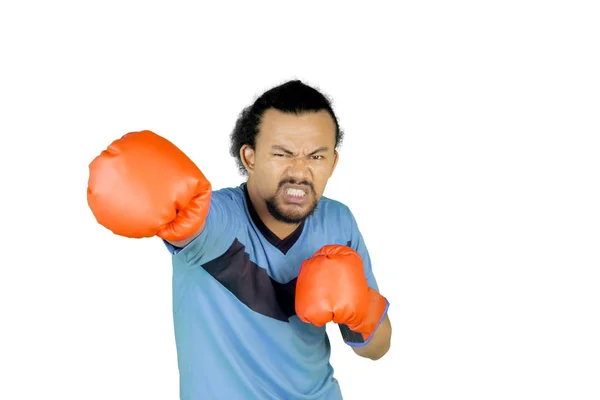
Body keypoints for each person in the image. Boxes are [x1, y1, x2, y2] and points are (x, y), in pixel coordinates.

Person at [87, 80, 392, 399]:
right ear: (250, 158)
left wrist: (362, 309)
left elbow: (377, 348)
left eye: (316, 157)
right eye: (282, 154)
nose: (299, 172)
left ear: (332, 162)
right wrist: (150, 189)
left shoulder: (338, 221)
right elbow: (194, 224)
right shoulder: (219, 217)